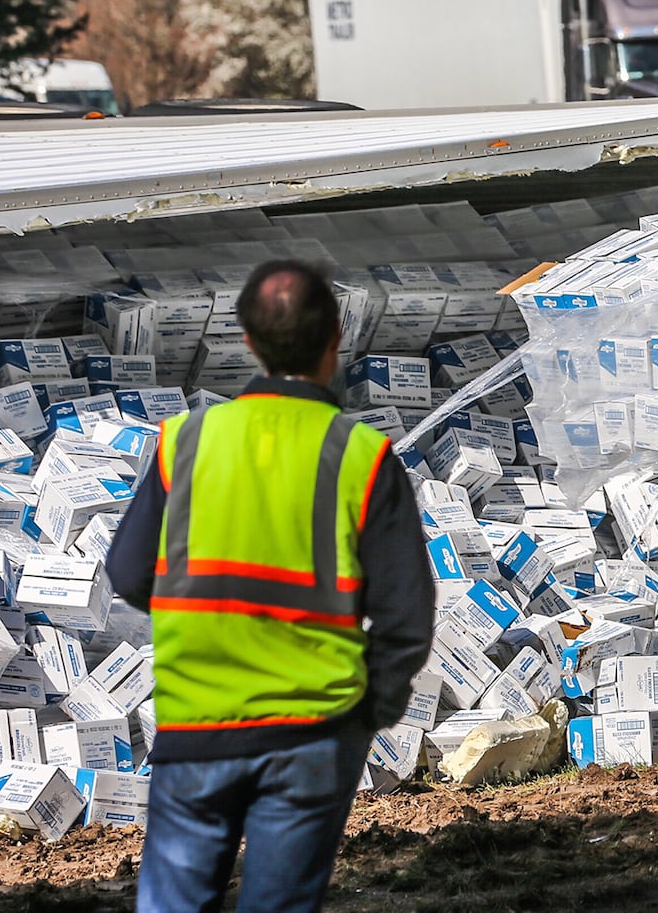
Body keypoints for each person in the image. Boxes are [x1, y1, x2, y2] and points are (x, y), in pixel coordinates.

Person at [106, 259, 434, 913]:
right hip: (313, 730)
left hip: (199, 721)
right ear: (336, 338)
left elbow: (128, 573)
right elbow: (405, 615)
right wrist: (372, 711)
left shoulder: (187, 442)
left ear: (247, 341)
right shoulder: (362, 456)